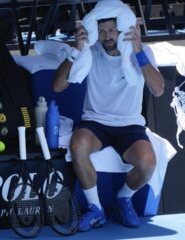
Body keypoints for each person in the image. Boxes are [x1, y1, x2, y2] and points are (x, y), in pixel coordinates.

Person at [53, 18, 165, 231]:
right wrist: (76, 49)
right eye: (102, 30)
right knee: (78, 146)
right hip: (96, 121)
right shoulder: (91, 50)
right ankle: (96, 209)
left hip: (130, 124)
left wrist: (139, 49)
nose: (107, 36)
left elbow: (158, 89)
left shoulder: (141, 51)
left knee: (148, 163)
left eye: (112, 30)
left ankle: (123, 198)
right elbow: (57, 87)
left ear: (122, 29)